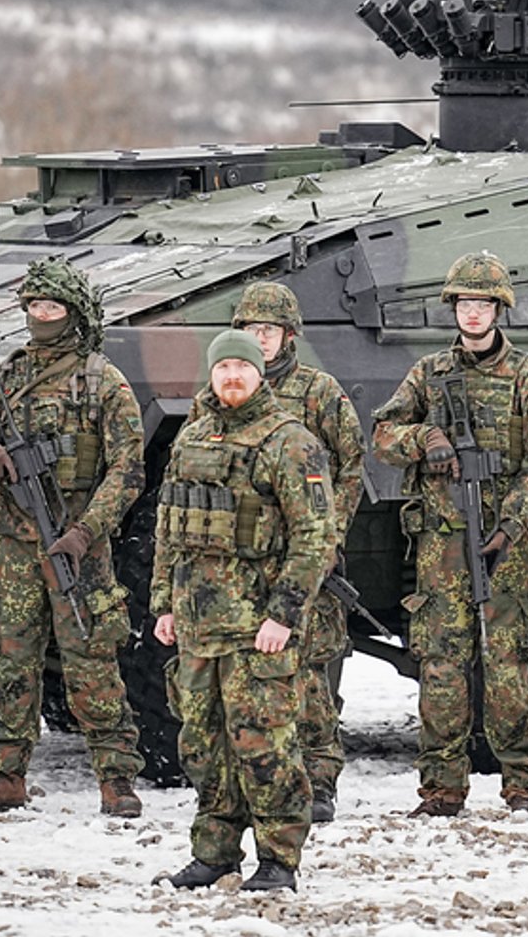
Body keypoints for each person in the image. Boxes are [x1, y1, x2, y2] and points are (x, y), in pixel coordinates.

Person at [0, 257, 147, 817]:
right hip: (15, 548)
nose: (40, 316)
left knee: (92, 660)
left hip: (77, 547)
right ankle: (5, 775)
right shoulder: (5, 379)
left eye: (51, 307)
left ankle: (116, 778)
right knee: (12, 659)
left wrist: (87, 531)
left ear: (73, 313)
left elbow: (128, 470)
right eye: (33, 307)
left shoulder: (102, 382)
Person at [371, 250, 528, 817]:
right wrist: (424, 440)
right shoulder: (428, 374)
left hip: (508, 541)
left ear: (498, 309)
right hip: (442, 542)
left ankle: (525, 784)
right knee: (442, 663)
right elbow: (383, 433)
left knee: (508, 664)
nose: (473, 314)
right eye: (464, 304)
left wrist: (509, 525)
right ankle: (442, 789)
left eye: (482, 304)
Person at [153, 330, 337, 893]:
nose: (232, 377)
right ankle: (214, 853)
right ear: (210, 375)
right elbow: (168, 530)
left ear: (261, 373)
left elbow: (315, 536)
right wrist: (164, 604)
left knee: (264, 746)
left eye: (242, 367)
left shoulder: (289, 442)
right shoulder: (192, 436)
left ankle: (279, 858)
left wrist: (282, 615)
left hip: (256, 628)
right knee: (202, 747)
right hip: (197, 627)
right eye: (223, 368)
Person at [224, 281, 364, 824]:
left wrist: (327, 540)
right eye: (251, 331)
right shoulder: (224, 394)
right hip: (245, 561)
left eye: (269, 331)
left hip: (309, 560)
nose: (260, 341)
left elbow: (351, 471)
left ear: (288, 336)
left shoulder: (319, 392)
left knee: (311, 674)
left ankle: (319, 778)